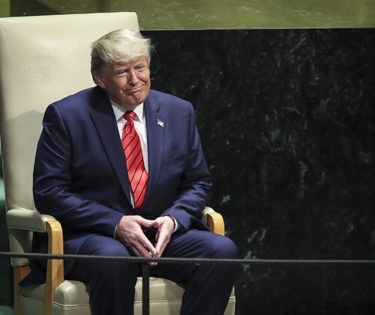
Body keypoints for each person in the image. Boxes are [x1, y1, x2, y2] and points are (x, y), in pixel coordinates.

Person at [30, 29, 237, 315]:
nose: (135, 79)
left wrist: (173, 220)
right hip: (93, 236)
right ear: (99, 78)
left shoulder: (179, 112)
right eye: (121, 72)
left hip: (158, 234)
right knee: (114, 258)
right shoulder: (67, 116)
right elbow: (49, 192)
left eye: (140, 67)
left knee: (221, 251)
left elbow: (197, 182)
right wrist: (116, 222)